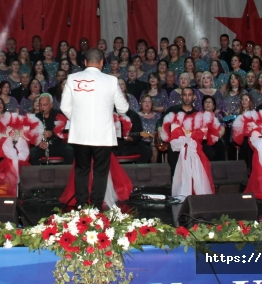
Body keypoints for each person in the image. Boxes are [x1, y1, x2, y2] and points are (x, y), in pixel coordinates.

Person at [60, 48, 129, 208]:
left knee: (81, 169)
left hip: (80, 134)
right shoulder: (111, 81)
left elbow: (64, 107)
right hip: (103, 134)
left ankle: (81, 204)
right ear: (102, 62)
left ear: (85, 62)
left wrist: (77, 119)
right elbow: (123, 109)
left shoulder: (72, 78)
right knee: (100, 171)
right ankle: (97, 206)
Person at [28, 93, 74, 165]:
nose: (42, 107)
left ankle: (65, 174)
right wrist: (38, 143)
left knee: (70, 151)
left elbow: (65, 131)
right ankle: (38, 175)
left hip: (57, 144)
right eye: (40, 105)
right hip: (42, 146)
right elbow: (30, 135)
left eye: (45, 105)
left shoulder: (59, 114)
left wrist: (52, 133)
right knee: (33, 153)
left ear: (51, 105)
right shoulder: (35, 117)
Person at [138, 95, 162, 163]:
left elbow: (159, 129)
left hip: (154, 141)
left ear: (152, 104)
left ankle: (153, 171)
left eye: (149, 102)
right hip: (141, 141)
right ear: (141, 104)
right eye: (145, 101)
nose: (147, 103)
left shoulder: (157, 116)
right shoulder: (137, 116)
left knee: (154, 148)